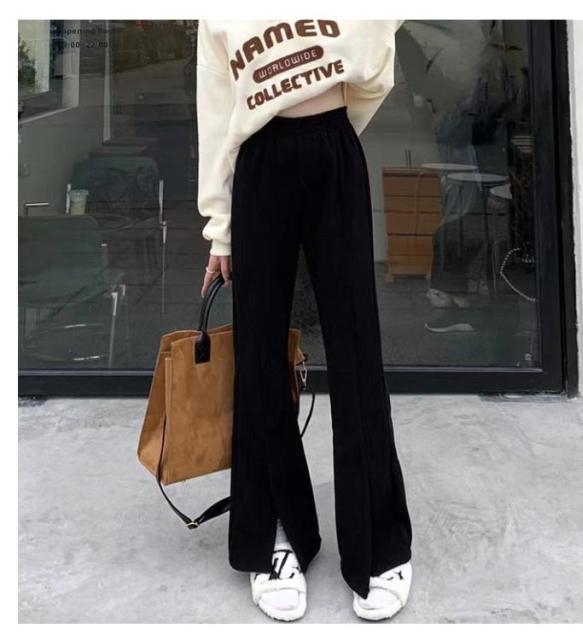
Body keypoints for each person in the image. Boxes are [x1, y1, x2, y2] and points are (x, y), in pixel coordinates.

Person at [196, 19, 413, 622]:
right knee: (259, 357)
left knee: (357, 353)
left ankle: (379, 541)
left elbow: (377, 59)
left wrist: (335, 130)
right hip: (259, 159)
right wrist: (220, 227)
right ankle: (276, 533)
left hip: (333, 148)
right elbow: (215, 102)